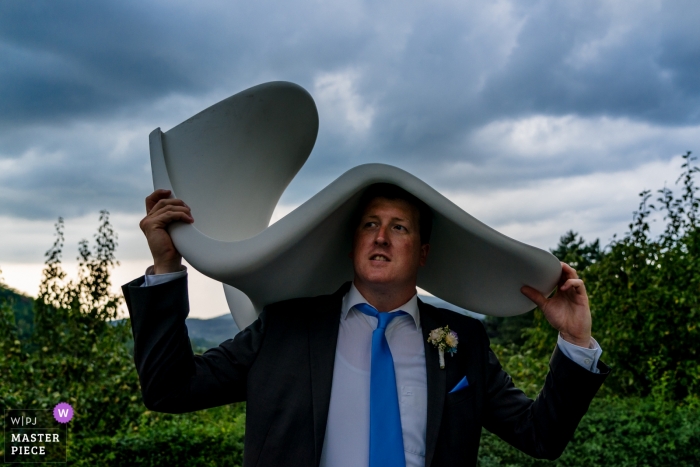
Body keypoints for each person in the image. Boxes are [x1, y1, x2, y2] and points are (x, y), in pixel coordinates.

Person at [123, 184, 609, 467]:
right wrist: (166, 270)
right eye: (369, 224)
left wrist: (575, 339)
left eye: (399, 227)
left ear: (422, 253)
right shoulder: (286, 327)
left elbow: (540, 436)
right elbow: (170, 388)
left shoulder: (464, 341)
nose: (380, 236)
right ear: (353, 242)